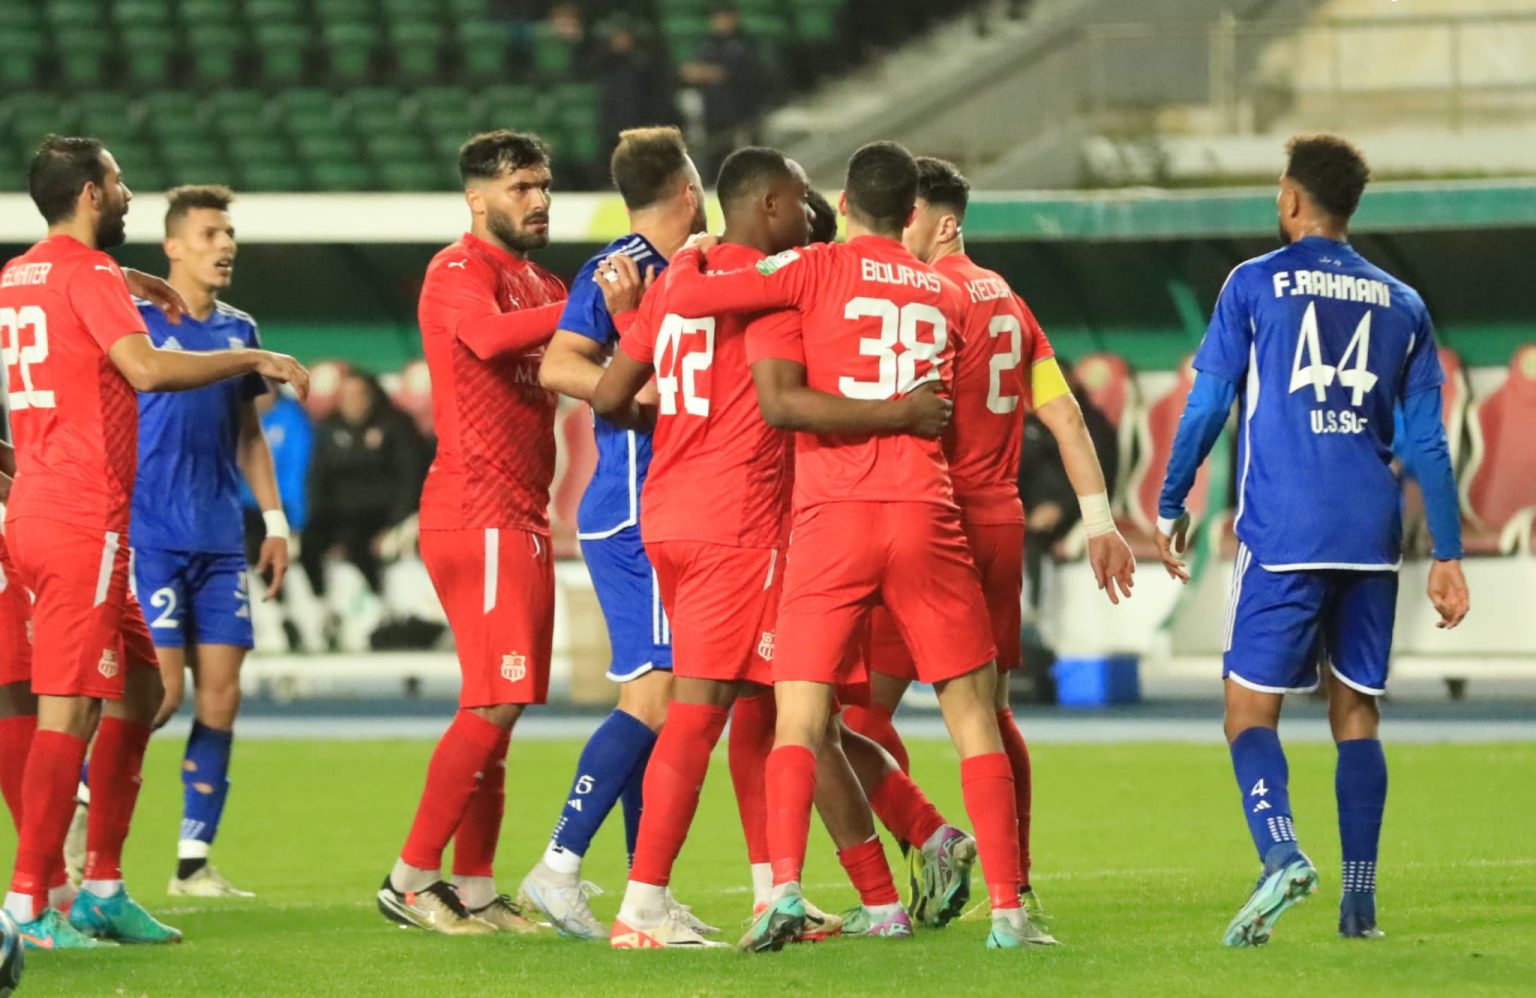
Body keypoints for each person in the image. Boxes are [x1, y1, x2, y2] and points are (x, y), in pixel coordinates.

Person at [658, 140, 1116, 952]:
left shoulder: (812, 271)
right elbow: (1008, 402)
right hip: (928, 513)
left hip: (831, 519)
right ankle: (1010, 910)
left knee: (799, 718)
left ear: (841, 202)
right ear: (914, 214)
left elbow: (701, 301)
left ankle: (785, 895)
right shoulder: (953, 293)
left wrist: (689, 259)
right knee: (975, 714)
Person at [590, 148, 959, 948]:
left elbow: (615, 393)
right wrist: (896, 413)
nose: (810, 213)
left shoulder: (678, 283)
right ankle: (644, 906)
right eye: (796, 200)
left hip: (671, 516)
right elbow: (782, 401)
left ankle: (802, 896)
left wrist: (680, 428)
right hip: (741, 524)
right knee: (711, 715)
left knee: (777, 713)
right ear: (765, 207)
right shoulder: (774, 289)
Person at [1155, 134, 1469, 947]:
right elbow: (1428, 442)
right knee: (1355, 710)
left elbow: (1208, 405)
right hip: (1372, 529)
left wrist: (1169, 499)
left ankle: (1281, 853)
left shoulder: (1253, 282)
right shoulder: (1403, 302)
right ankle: (1360, 905)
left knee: (1246, 711)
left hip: (1286, 525)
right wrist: (1448, 553)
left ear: (1293, 200)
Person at [0, 134, 306, 950]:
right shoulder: (90, 273)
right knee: (67, 709)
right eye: (120, 179)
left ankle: (102, 885)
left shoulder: (22, 272)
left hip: (39, 507)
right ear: (93, 194)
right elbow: (145, 369)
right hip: (83, 520)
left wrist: (122, 279)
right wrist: (255, 356)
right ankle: (30, 905)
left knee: (141, 692)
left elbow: (74, 306)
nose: (129, 191)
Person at [841, 157, 1135, 939]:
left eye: (909, 218)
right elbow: (1068, 418)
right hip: (999, 523)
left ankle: (927, 840)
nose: (896, 231)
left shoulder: (927, 300)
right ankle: (1015, 888)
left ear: (944, 224)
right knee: (992, 714)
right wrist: (1100, 522)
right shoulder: (1010, 301)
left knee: (848, 714)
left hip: (928, 523)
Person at [376, 130, 570, 936]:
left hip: (521, 512)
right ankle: (410, 880)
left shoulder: (542, 281)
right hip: (476, 505)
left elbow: (572, 368)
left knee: (503, 703)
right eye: (521, 186)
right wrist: (596, 304)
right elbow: (488, 340)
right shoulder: (459, 270)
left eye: (544, 184)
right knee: (494, 700)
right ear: (477, 197)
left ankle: (478, 887)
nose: (539, 199)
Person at [523, 126, 708, 940]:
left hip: (662, 507)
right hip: (638, 506)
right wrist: (640, 394)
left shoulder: (686, 266)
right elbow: (559, 365)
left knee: (660, 700)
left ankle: (647, 889)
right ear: (690, 190)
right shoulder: (622, 267)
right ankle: (559, 866)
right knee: (657, 696)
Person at [126, 184, 289, 898]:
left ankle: (193, 862)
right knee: (158, 697)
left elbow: (249, 435)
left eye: (229, 233)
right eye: (210, 234)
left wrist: (275, 520)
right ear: (172, 246)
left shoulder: (240, 329)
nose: (225, 246)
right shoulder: (131, 325)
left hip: (220, 536)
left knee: (220, 697)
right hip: (151, 533)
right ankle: (81, 816)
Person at [300, 370, 427, 642]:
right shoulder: (329, 429)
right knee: (308, 542)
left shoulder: (395, 426)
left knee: (360, 545)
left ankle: (381, 612)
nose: (353, 402)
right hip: (340, 516)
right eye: (346, 396)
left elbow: (409, 480)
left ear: (372, 396)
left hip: (383, 516)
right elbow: (316, 481)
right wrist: (318, 519)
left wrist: (395, 524)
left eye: (359, 395)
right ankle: (320, 609)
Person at [679, 5, 768, 175]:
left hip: (743, 109)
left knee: (748, 157)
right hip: (714, 110)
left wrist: (718, 73)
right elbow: (694, 71)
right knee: (716, 156)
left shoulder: (746, 43)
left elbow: (752, 73)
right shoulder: (706, 43)